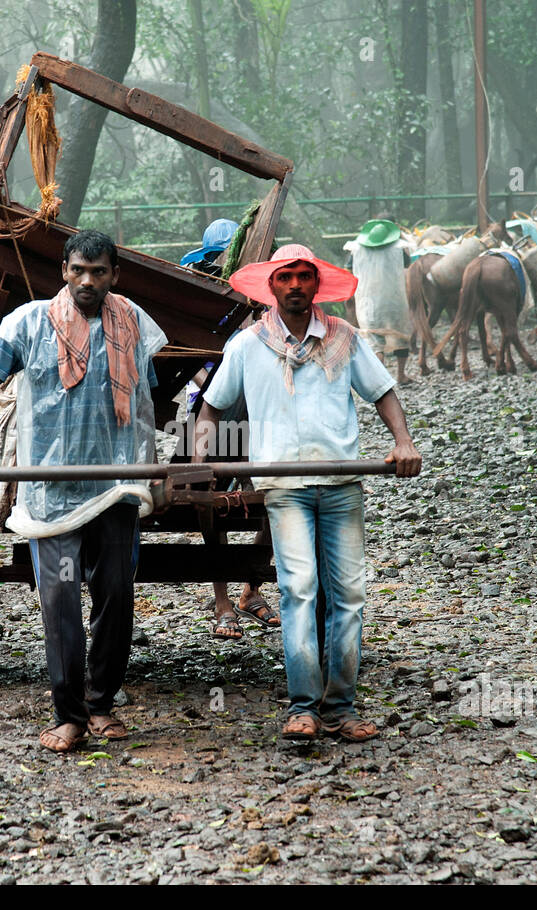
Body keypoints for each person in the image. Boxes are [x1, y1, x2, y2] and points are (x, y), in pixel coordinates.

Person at [0, 230, 167, 753]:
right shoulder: (28, 323)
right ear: (64, 271)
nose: (87, 281)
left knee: (116, 594)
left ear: (115, 274)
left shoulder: (133, 321)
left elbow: (146, 402)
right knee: (61, 598)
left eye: (98, 272)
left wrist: (155, 466)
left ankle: (101, 704)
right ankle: (68, 713)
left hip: (115, 487)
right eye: (78, 270)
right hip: (48, 493)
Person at [196, 244, 422, 742]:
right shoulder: (248, 345)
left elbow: (382, 391)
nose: (296, 284)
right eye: (286, 277)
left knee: (348, 596)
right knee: (299, 590)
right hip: (285, 487)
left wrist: (403, 442)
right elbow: (211, 408)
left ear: (316, 285)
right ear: (271, 287)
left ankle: (340, 707)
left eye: (304, 276)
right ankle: (303, 707)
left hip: (341, 484)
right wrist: (202, 465)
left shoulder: (344, 338)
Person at [178, 218, 279, 639]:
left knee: (279, 492)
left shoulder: (264, 301)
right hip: (204, 408)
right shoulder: (196, 299)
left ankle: (250, 589)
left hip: (261, 409)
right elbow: (180, 365)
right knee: (207, 499)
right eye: (216, 263)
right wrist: (212, 385)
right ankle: (222, 601)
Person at [343, 218, 413, 385]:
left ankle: (381, 378)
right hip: (394, 299)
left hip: (368, 300)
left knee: (374, 340)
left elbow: (347, 269)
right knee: (401, 335)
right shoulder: (398, 248)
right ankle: (401, 375)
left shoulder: (356, 249)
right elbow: (408, 263)